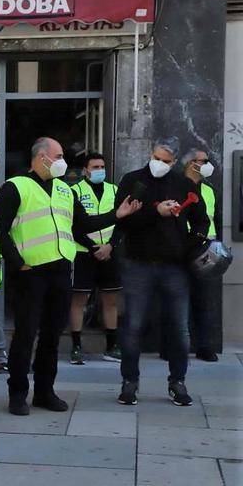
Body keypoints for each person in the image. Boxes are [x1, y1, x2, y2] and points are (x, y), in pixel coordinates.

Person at [0, 137, 142, 416]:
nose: (64, 161)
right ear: (41, 157)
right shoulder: (16, 187)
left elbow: (83, 224)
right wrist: (17, 263)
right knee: (25, 336)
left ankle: (44, 392)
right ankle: (17, 394)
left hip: (60, 271)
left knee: (52, 335)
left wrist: (117, 215)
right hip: (30, 273)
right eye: (59, 155)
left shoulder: (64, 189)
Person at [115, 138, 210, 406]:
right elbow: (122, 218)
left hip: (174, 267)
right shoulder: (134, 180)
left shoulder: (182, 184)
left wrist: (191, 243)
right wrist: (156, 212)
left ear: (175, 161)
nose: (161, 164)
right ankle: (129, 382)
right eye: (158, 158)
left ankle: (177, 382)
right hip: (138, 263)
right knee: (133, 326)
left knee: (180, 328)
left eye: (167, 161)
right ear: (151, 154)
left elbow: (201, 219)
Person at [68, 152, 123, 365]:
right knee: (78, 301)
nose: (100, 170)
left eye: (102, 166)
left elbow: (121, 222)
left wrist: (110, 246)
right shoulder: (74, 192)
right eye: (95, 167)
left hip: (109, 253)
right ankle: (76, 347)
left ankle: (112, 346)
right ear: (85, 170)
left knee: (111, 300)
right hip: (83, 253)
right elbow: (73, 225)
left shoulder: (114, 190)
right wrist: (93, 249)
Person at [180, 149, 220, 362]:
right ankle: (175, 348)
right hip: (179, 248)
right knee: (177, 300)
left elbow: (215, 220)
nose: (207, 164)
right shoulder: (176, 187)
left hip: (204, 251)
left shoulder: (209, 190)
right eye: (203, 161)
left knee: (203, 300)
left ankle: (204, 346)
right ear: (191, 164)